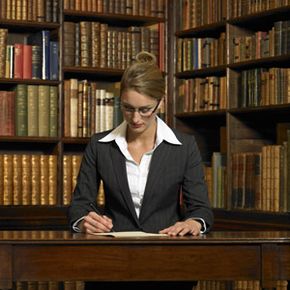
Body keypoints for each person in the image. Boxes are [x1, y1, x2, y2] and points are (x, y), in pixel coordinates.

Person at [68, 51, 214, 290]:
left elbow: (201, 209)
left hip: (169, 266)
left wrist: (194, 223)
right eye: (127, 108)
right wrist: (85, 221)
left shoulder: (184, 147)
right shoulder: (99, 145)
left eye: (145, 109)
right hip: (110, 265)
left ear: (161, 102)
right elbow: (79, 205)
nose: (135, 118)